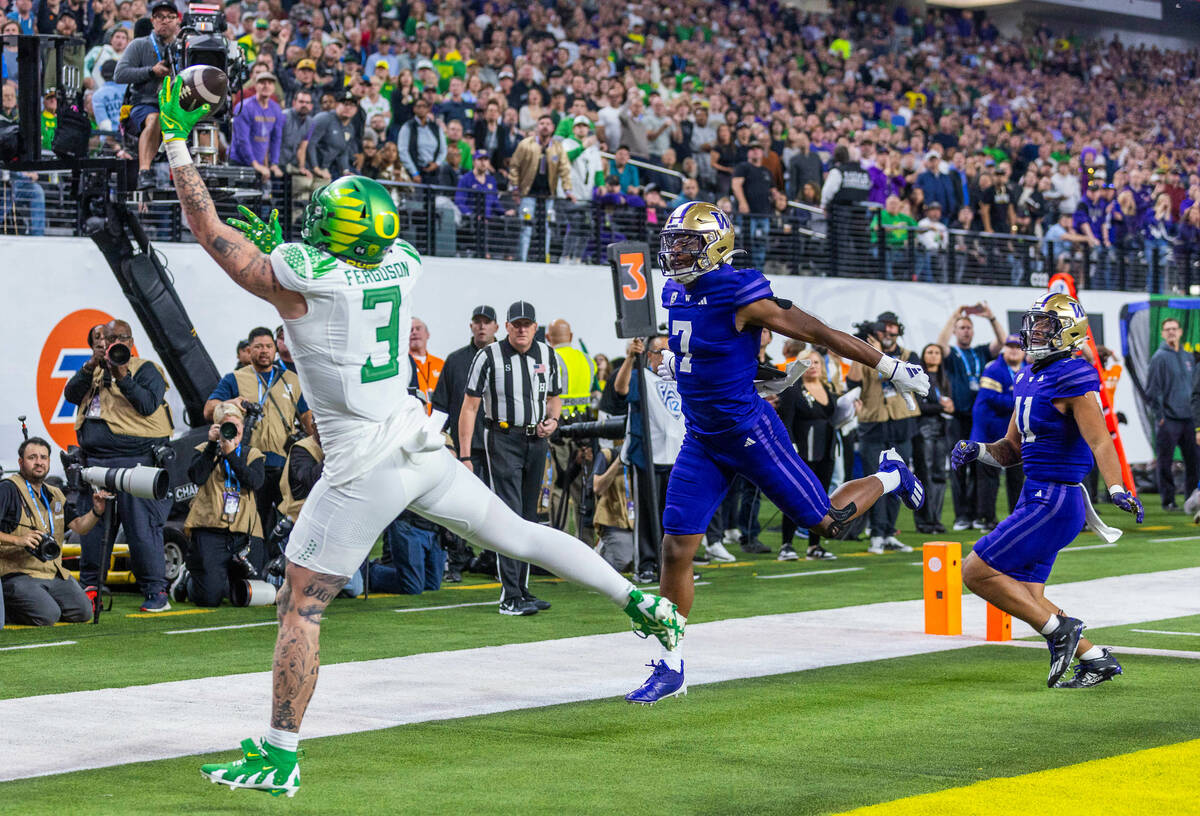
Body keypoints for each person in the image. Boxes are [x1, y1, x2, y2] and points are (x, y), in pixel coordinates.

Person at [156, 80, 680, 796]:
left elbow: (212, 232)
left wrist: (180, 141)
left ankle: (280, 756)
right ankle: (640, 602)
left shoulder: (305, 278)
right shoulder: (400, 260)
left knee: (300, 605)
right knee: (520, 533)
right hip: (416, 438)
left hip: (363, 463)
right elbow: (329, 259)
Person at [629, 201, 928, 704]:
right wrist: (668, 365)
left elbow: (819, 334)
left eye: (688, 243)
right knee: (676, 548)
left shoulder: (738, 289)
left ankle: (892, 475)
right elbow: (701, 347)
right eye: (673, 241)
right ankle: (672, 663)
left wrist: (889, 366)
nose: (676, 251)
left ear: (716, 247)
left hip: (749, 431)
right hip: (703, 437)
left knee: (828, 524)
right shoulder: (674, 287)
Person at [952, 293, 1143, 689]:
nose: (1036, 330)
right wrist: (977, 450)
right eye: (1035, 323)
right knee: (1026, 595)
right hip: (1036, 494)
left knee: (974, 570)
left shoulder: (1073, 375)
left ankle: (1060, 632)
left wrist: (1117, 487)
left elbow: (1102, 441)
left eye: (1046, 325)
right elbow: (1010, 451)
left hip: (1055, 499)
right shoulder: (1027, 374)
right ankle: (1095, 658)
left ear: (1068, 333)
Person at [458, 301, 564, 614]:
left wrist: (553, 421)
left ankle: (523, 588)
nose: (521, 329)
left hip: (536, 439)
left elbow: (555, 396)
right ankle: (510, 595)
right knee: (509, 514)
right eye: (515, 324)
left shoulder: (547, 354)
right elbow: (469, 407)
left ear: (535, 327)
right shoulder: (488, 355)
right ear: (506, 327)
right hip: (503, 438)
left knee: (529, 517)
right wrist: (465, 454)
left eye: (526, 324)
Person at [62, 318, 174, 612]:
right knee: (94, 528)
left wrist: (122, 374)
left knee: (142, 529)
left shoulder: (145, 368)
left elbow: (148, 404)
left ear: (131, 340)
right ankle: (91, 589)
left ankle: (155, 591)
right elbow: (71, 395)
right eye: (106, 338)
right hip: (95, 461)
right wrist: (91, 366)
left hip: (135, 462)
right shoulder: (94, 370)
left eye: (119, 338)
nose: (113, 343)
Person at [205, 327, 312, 538]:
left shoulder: (291, 379)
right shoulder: (235, 379)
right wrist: (230, 403)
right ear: (249, 350)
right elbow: (209, 409)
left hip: (286, 464)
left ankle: (283, 568)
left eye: (269, 346)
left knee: (294, 525)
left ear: (275, 350)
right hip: (252, 462)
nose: (264, 351)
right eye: (258, 347)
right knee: (254, 524)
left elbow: (307, 417)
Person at [0, 437, 107, 626]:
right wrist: (18, 540)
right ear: (20, 462)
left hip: (52, 571)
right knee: (47, 616)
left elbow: (80, 527)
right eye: (32, 457)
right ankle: (6, 609)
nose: (39, 462)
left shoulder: (55, 493)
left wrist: (96, 511)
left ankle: (39, 602)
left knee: (82, 612)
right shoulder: (7, 489)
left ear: (49, 462)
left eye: (44, 457)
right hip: (17, 572)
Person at [173, 401, 265, 606]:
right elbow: (197, 476)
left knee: (250, 597)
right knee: (208, 599)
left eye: (236, 426)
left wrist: (232, 454)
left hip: (245, 532)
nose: (232, 431)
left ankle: (224, 581)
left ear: (242, 427)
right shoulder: (203, 449)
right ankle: (188, 580)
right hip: (210, 529)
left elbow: (254, 482)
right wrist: (213, 446)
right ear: (216, 428)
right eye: (226, 426)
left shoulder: (252, 455)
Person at [848, 312, 921, 554]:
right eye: (883, 331)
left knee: (899, 480)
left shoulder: (909, 356)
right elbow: (853, 382)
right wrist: (863, 351)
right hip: (873, 423)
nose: (888, 335)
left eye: (892, 331)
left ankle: (890, 532)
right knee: (876, 480)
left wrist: (880, 356)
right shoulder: (865, 352)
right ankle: (876, 533)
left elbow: (912, 380)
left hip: (901, 422)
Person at [936, 304, 1006, 530]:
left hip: (981, 419)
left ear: (973, 332)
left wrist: (992, 317)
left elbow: (1003, 342)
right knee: (958, 467)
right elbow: (940, 345)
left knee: (980, 465)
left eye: (968, 327)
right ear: (956, 332)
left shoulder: (980, 352)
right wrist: (954, 316)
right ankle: (961, 516)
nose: (965, 331)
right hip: (958, 417)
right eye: (961, 328)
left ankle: (978, 514)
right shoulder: (953, 355)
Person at [777, 350, 839, 561]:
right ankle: (787, 544)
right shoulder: (793, 389)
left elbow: (832, 416)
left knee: (821, 497)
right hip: (803, 449)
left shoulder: (828, 388)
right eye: (808, 363)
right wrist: (791, 446)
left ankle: (815, 545)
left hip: (827, 447)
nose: (813, 366)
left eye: (816, 362)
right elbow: (785, 419)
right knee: (796, 496)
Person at [113, 0, 178, 190]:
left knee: (206, 119)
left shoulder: (184, 47)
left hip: (176, 106)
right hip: (145, 103)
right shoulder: (139, 45)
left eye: (169, 17)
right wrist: (151, 72)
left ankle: (207, 171)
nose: (164, 21)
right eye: (159, 17)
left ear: (177, 22)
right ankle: (144, 172)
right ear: (152, 21)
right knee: (154, 118)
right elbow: (119, 74)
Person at [970, 335, 1028, 531]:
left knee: (1016, 477)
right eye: (1009, 346)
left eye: (1017, 347)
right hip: (989, 434)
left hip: (1013, 435)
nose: (1013, 350)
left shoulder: (1027, 371)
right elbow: (991, 398)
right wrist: (1023, 400)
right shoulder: (993, 368)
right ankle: (986, 518)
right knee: (988, 478)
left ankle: (1017, 516)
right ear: (1003, 349)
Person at [508, 113, 574, 262]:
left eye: (548, 124)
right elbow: (514, 166)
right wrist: (515, 188)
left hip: (548, 194)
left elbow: (564, 170)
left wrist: (568, 190)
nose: (544, 126)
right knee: (526, 227)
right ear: (537, 127)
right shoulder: (525, 144)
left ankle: (545, 259)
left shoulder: (558, 148)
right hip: (528, 193)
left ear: (552, 128)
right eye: (541, 123)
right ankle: (522, 260)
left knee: (548, 228)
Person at [1146, 317, 1197, 511]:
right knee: (1165, 462)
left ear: (1181, 332)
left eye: (1174, 329)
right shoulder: (1159, 357)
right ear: (1162, 333)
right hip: (1169, 419)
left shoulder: (1188, 357)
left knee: (1194, 461)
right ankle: (1168, 500)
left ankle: (1191, 500)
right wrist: (1160, 417)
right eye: (1167, 330)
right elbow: (1152, 391)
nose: (1171, 332)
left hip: (1189, 418)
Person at [913, 343, 954, 534]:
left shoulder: (944, 378)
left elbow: (950, 404)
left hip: (942, 430)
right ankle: (923, 520)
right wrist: (941, 407)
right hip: (924, 430)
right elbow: (918, 406)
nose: (934, 355)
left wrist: (949, 408)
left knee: (939, 476)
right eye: (929, 352)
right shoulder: (919, 378)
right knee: (924, 476)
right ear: (923, 356)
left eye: (937, 352)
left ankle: (935, 519)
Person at [408, 317, 443, 413]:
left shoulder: (441, 364)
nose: (414, 332)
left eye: (418, 328)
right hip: (414, 420)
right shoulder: (403, 365)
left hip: (439, 423)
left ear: (427, 334)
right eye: (410, 330)